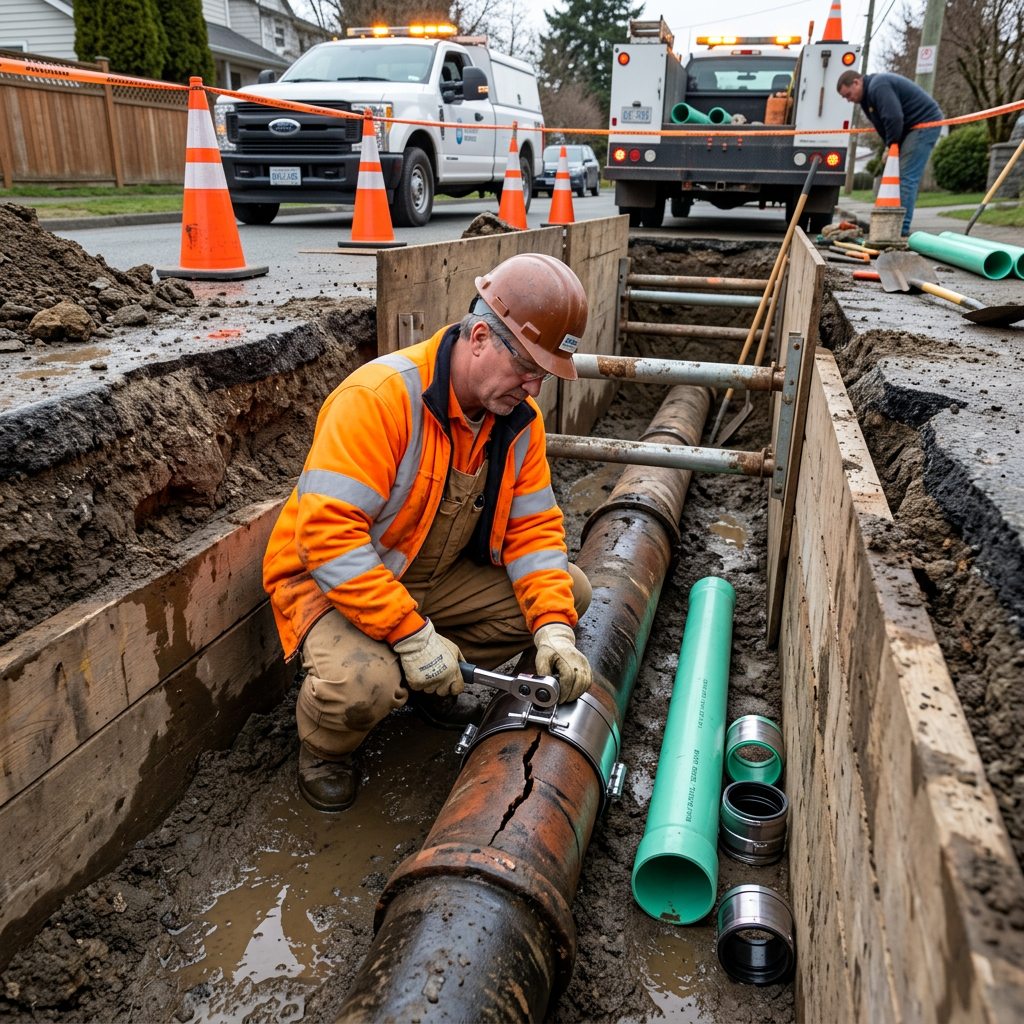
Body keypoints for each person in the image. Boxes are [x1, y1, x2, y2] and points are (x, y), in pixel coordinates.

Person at [263, 253, 594, 812]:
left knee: (570, 593)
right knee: (365, 685)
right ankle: (325, 749)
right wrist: (412, 635)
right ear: (482, 336)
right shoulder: (379, 399)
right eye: (528, 369)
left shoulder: (517, 424)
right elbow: (328, 540)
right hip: (332, 582)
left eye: (545, 375)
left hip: (425, 574)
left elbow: (534, 531)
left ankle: (436, 683)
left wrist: (556, 630)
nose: (534, 389)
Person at [837, 69, 943, 236]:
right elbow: (882, 126)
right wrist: (890, 145)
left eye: (848, 95)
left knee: (905, 176)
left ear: (857, 82)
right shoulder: (866, 99)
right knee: (898, 175)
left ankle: (900, 229)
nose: (849, 100)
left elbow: (894, 118)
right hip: (908, 128)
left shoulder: (879, 86)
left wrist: (891, 146)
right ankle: (893, 225)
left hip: (924, 124)